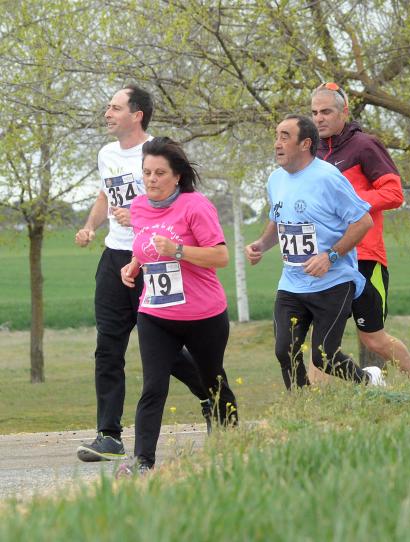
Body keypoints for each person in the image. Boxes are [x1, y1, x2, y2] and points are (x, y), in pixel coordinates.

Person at [74, 86, 212, 463]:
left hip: (153, 260)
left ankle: (212, 396)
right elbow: (106, 195)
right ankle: (109, 435)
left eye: (115, 108)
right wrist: (91, 226)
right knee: (108, 346)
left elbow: (177, 202)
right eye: (107, 107)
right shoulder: (106, 154)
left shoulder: (156, 152)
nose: (107, 113)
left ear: (137, 115)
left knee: (168, 351)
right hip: (115, 256)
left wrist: (140, 218)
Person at [119, 137, 238, 472]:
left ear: (177, 176)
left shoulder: (196, 206)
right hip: (155, 313)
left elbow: (221, 256)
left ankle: (228, 439)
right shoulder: (139, 207)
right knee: (153, 385)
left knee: (212, 379)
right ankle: (142, 461)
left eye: (160, 173)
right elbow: (145, 246)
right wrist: (134, 264)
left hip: (203, 314)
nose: (152, 179)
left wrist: (178, 251)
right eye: (147, 173)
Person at [246, 114, 385, 388]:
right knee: (284, 350)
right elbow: (278, 219)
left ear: (305, 143)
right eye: (276, 136)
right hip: (292, 282)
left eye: (285, 137)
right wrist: (262, 245)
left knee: (324, 356)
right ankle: (301, 405)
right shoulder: (275, 180)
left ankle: (369, 380)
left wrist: (329, 256)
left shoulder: (328, 178)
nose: (277, 143)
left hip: (333, 281)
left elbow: (363, 221)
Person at [311, 82, 410, 383]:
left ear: (344, 111)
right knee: (323, 336)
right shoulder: (311, 153)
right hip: (328, 258)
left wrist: (352, 204)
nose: (319, 118)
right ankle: (312, 403)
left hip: (365, 255)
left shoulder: (365, 145)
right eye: (314, 112)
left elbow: (394, 193)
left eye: (326, 111)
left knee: (374, 339)